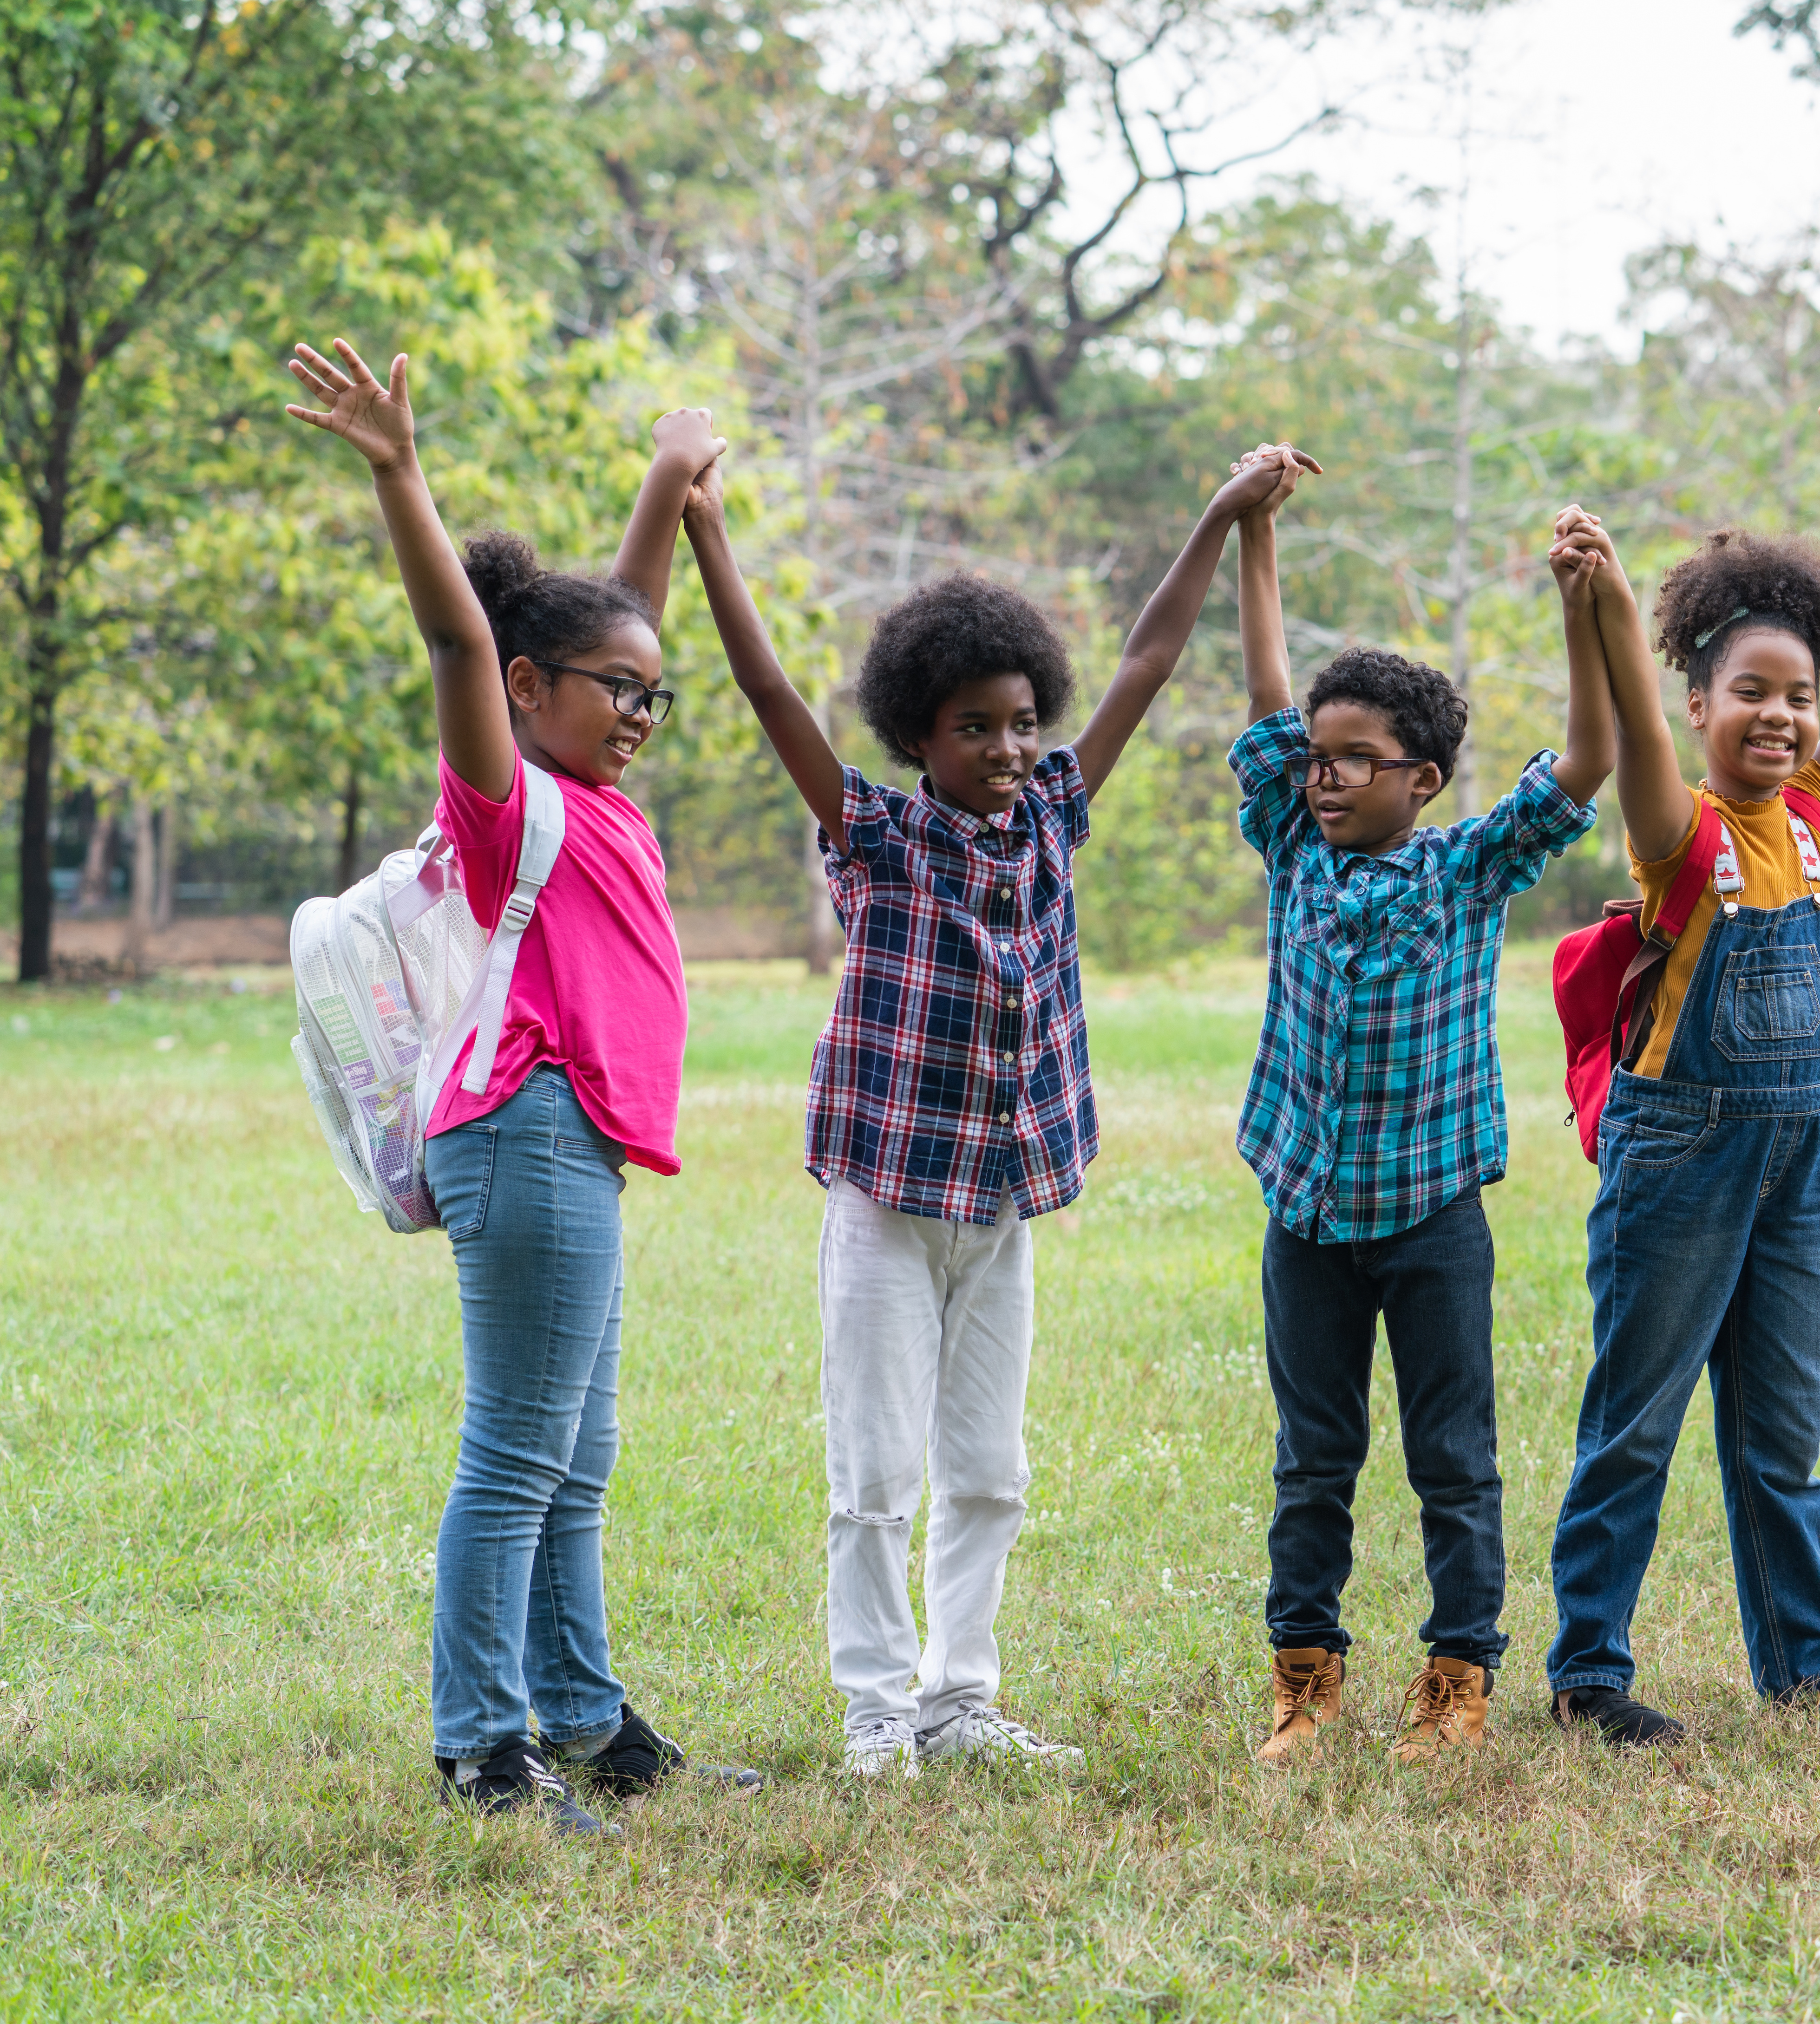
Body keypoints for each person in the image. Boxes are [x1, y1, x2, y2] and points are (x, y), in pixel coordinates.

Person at [684, 440, 1311, 1779]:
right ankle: (875, 1707)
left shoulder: (1050, 817)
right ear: (919, 735)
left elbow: (1145, 660)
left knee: (989, 1468)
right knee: (876, 1475)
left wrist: (1213, 513)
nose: (1010, 747)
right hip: (890, 1204)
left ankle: (960, 1697)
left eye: (1024, 720)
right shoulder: (877, 836)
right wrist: (709, 537)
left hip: (1004, 1203)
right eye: (977, 726)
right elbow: (768, 689)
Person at [286, 341, 757, 1833]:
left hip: (576, 1148)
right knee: (518, 1449)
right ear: (528, 688)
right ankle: (484, 1750)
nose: (638, 711)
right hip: (528, 1127)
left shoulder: (594, 785)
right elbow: (460, 645)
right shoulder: (507, 804)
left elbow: (613, 629)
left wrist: (666, 484)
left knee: (576, 1450)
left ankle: (587, 1715)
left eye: (655, 699)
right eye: (614, 692)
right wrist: (399, 472)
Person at [1538, 413, 1820, 1749]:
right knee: (1635, 1422)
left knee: (1783, 1435)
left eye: (1797, 693)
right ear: (1699, 705)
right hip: (1680, 1151)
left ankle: (1805, 1670)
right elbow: (1637, 732)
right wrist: (1595, 603)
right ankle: (1590, 1670)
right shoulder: (1676, 830)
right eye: (1749, 691)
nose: (1782, 712)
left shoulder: (1817, 810)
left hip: (1800, 1150)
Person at [1229, 449, 1614, 1763]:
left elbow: (1591, 755)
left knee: (1455, 1455)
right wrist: (1253, 536)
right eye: (1319, 761)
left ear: (1422, 781)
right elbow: (1270, 690)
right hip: (1309, 1212)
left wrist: (1582, 605)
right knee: (1313, 1457)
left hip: (1435, 1216)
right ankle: (1306, 1673)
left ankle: (1459, 1676)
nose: (1325, 777)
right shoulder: (1290, 844)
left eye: (1356, 760)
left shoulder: (1469, 870)